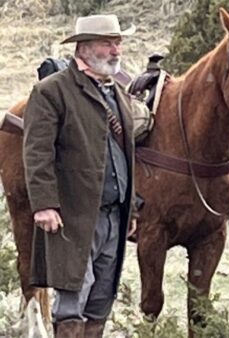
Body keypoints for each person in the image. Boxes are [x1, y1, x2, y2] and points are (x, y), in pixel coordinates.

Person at [23, 14, 137, 337]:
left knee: (100, 302)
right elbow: (37, 151)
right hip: (73, 217)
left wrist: (131, 208)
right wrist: (44, 204)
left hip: (114, 217)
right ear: (84, 48)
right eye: (107, 43)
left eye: (118, 43)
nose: (116, 50)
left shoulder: (118, 94)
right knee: (72, 301)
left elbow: (127, 156)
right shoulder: (52, 92)